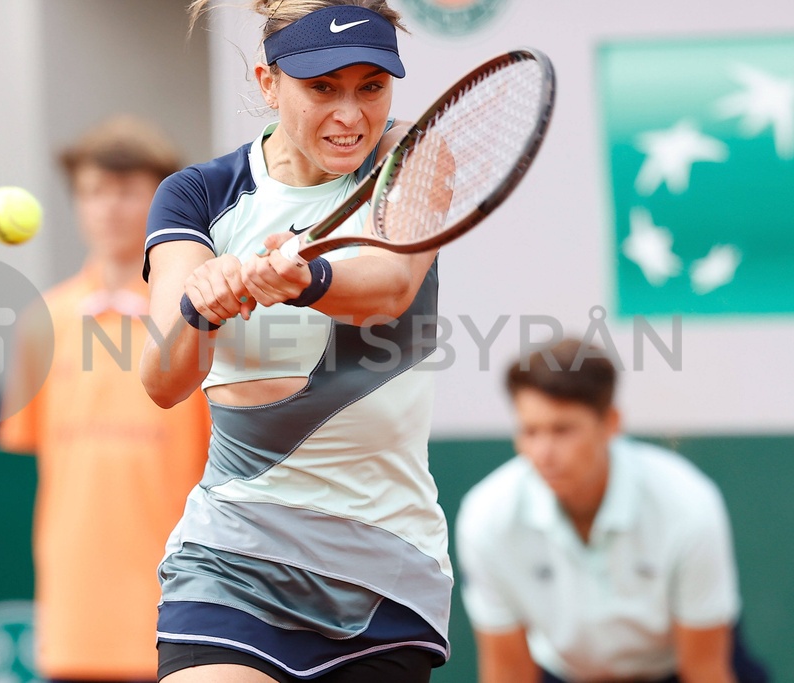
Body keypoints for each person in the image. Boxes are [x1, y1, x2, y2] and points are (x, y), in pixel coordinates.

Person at [139, 2, 452, 681]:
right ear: (267, 82)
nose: (350, 114)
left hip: (381, 571)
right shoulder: (198, 195)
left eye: (371, 85)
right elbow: (162, 380)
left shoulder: (412, 154)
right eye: (322, 87)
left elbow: (391, 284)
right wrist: (201, 306)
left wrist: (306, 279)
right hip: (231, 558)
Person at [0, 116, 211, 683]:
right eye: (94, 192)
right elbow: (28, 446)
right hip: (74, 611)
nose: (109, 208)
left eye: (127, 190)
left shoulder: (199, 317)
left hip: (182, 600)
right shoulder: (42, 320)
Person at [455, 338, 770, 683]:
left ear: (611, 423)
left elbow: (704, 671)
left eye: (563, 430)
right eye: (530, 431)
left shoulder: (688, 504)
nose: (543, 453)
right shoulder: (486, 517)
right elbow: (509, 673)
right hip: (563, 674)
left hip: (676, 671)